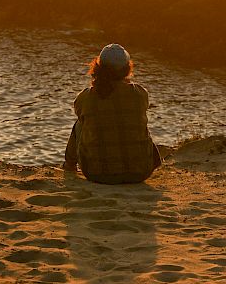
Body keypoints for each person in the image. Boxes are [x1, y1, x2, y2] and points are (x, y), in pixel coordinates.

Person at [64, 43, 161, 184]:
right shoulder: (139, 94)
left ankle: (69, 166)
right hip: (140, 172)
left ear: (98, 67)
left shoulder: (86, 97)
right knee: (135, 121)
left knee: (80, 123)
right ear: (127, 68)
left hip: (97, 174)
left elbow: (82, 113)